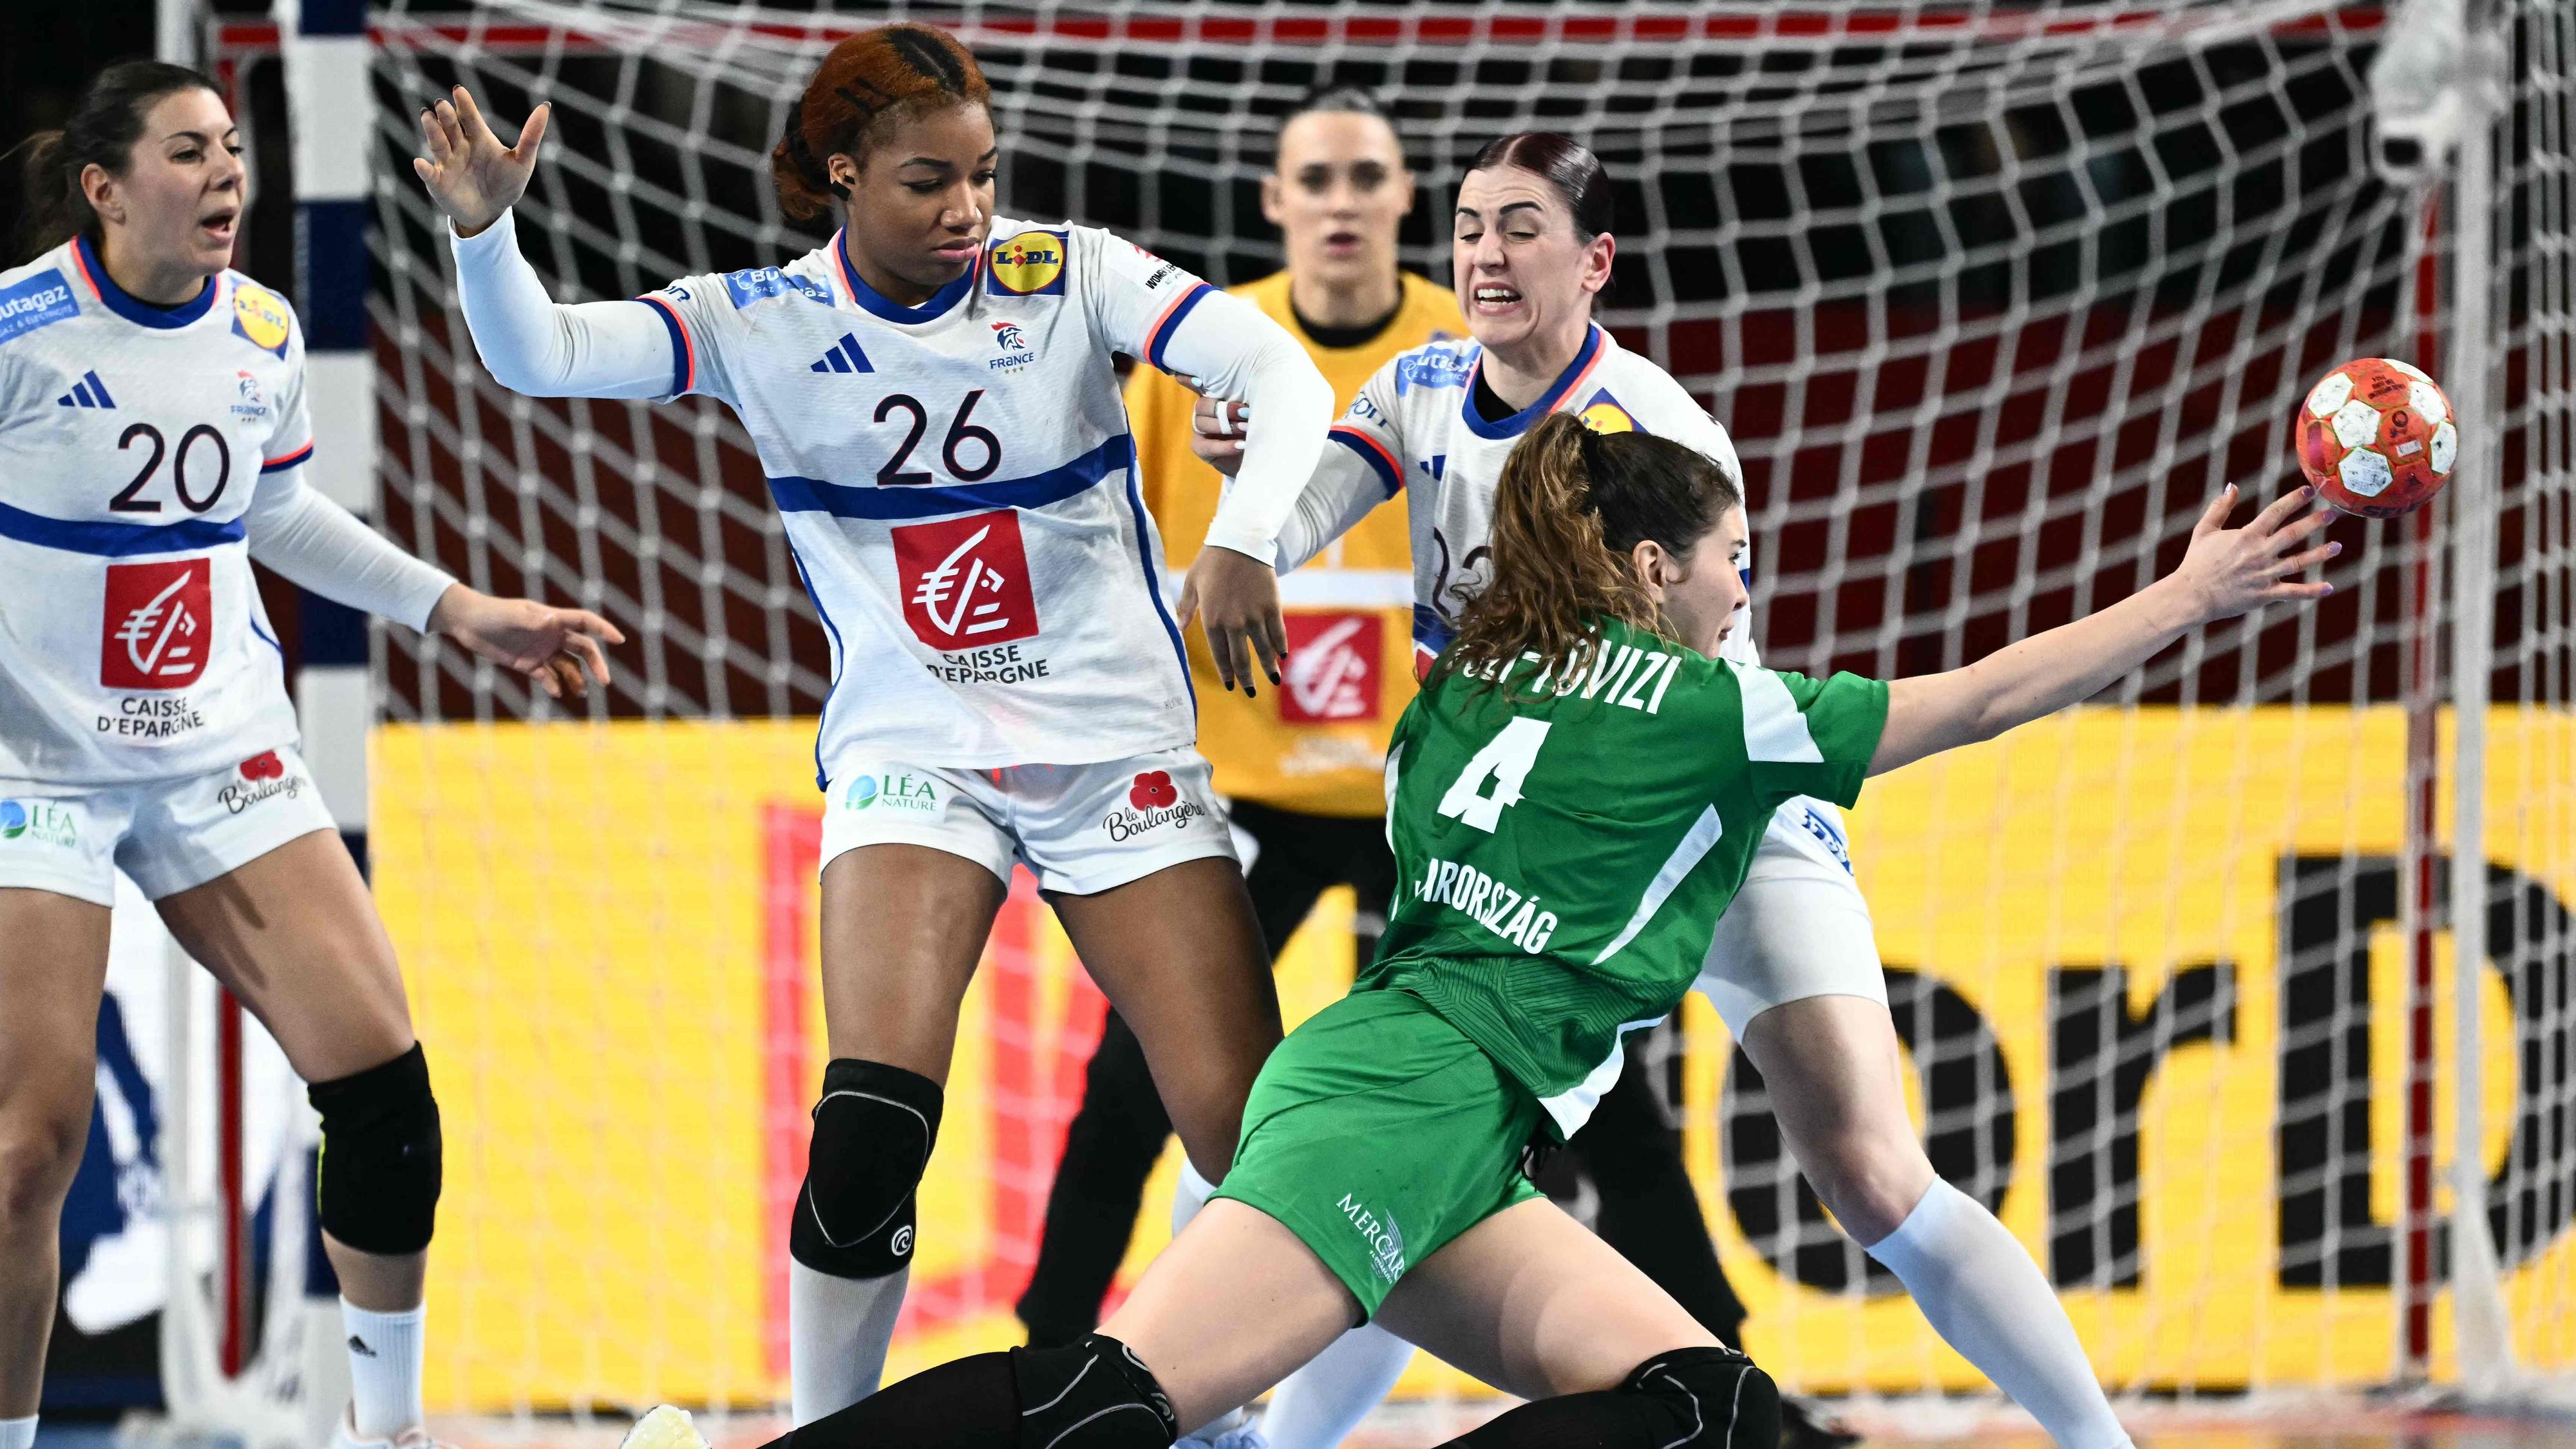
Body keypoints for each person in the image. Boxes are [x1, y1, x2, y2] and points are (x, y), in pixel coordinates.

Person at [618, 412, 2333, 1449]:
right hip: (1403, 1104)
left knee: (1704, 1404)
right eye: (1731, 558)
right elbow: (1983, 699)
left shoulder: (1464, 691)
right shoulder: (1714, 709)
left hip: (1445, 1112)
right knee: (1112, 1401)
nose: (1746, 590)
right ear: (1653, 570)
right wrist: (2189, 595)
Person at [410, 24, 1341, 1422]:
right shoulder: (760, 321)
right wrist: (487, 235)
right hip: (918, 759)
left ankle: (1231, 1414)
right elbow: (538, 357)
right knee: (867, 1130)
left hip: (1114, 756)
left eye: (983, 174)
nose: (969, 210)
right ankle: (822, 1433)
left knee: (1249, 1139)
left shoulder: (1069, 272)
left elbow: (1282, 376)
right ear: (842, 172)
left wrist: (1247, 534)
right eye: (927, 182)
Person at [1195, 129, 2147, 1448]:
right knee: (1425, 1161)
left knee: (1872, 1174)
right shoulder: (1419, 385)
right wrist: (1249, 501)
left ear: (1594, 262)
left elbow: (1690, 689)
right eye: (1468, 227)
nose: (1484, 255)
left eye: (1520, 227)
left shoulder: (1654, 431)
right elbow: (1299, 514)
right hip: (1540, 823)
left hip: (1704, 806)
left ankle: (2100, 1442)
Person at [0, 61, 623, 1449]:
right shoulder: (18, 333)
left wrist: (459, 608)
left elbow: (277, 515)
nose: (227, 171)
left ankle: (381, 1433)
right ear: (104, 189)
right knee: (28, 1151)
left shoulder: (264, 330)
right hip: (35, 769)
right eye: (186, 151)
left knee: (386, 1094)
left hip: (218, 749)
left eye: (232, 146)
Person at [1014, 82, 1463, 1444]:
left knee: (1498, 1105)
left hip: (1416, 798)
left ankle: (1718, 1373)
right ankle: (1047, 1364)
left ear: (1403, 196)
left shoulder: (1458, 349)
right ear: (1275, 201)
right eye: (1314, 178)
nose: (1341, 201)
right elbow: (1114, 553)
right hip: (1241, 786)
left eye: (1366, 176)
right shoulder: (1210, 351)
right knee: (1133, 1084)